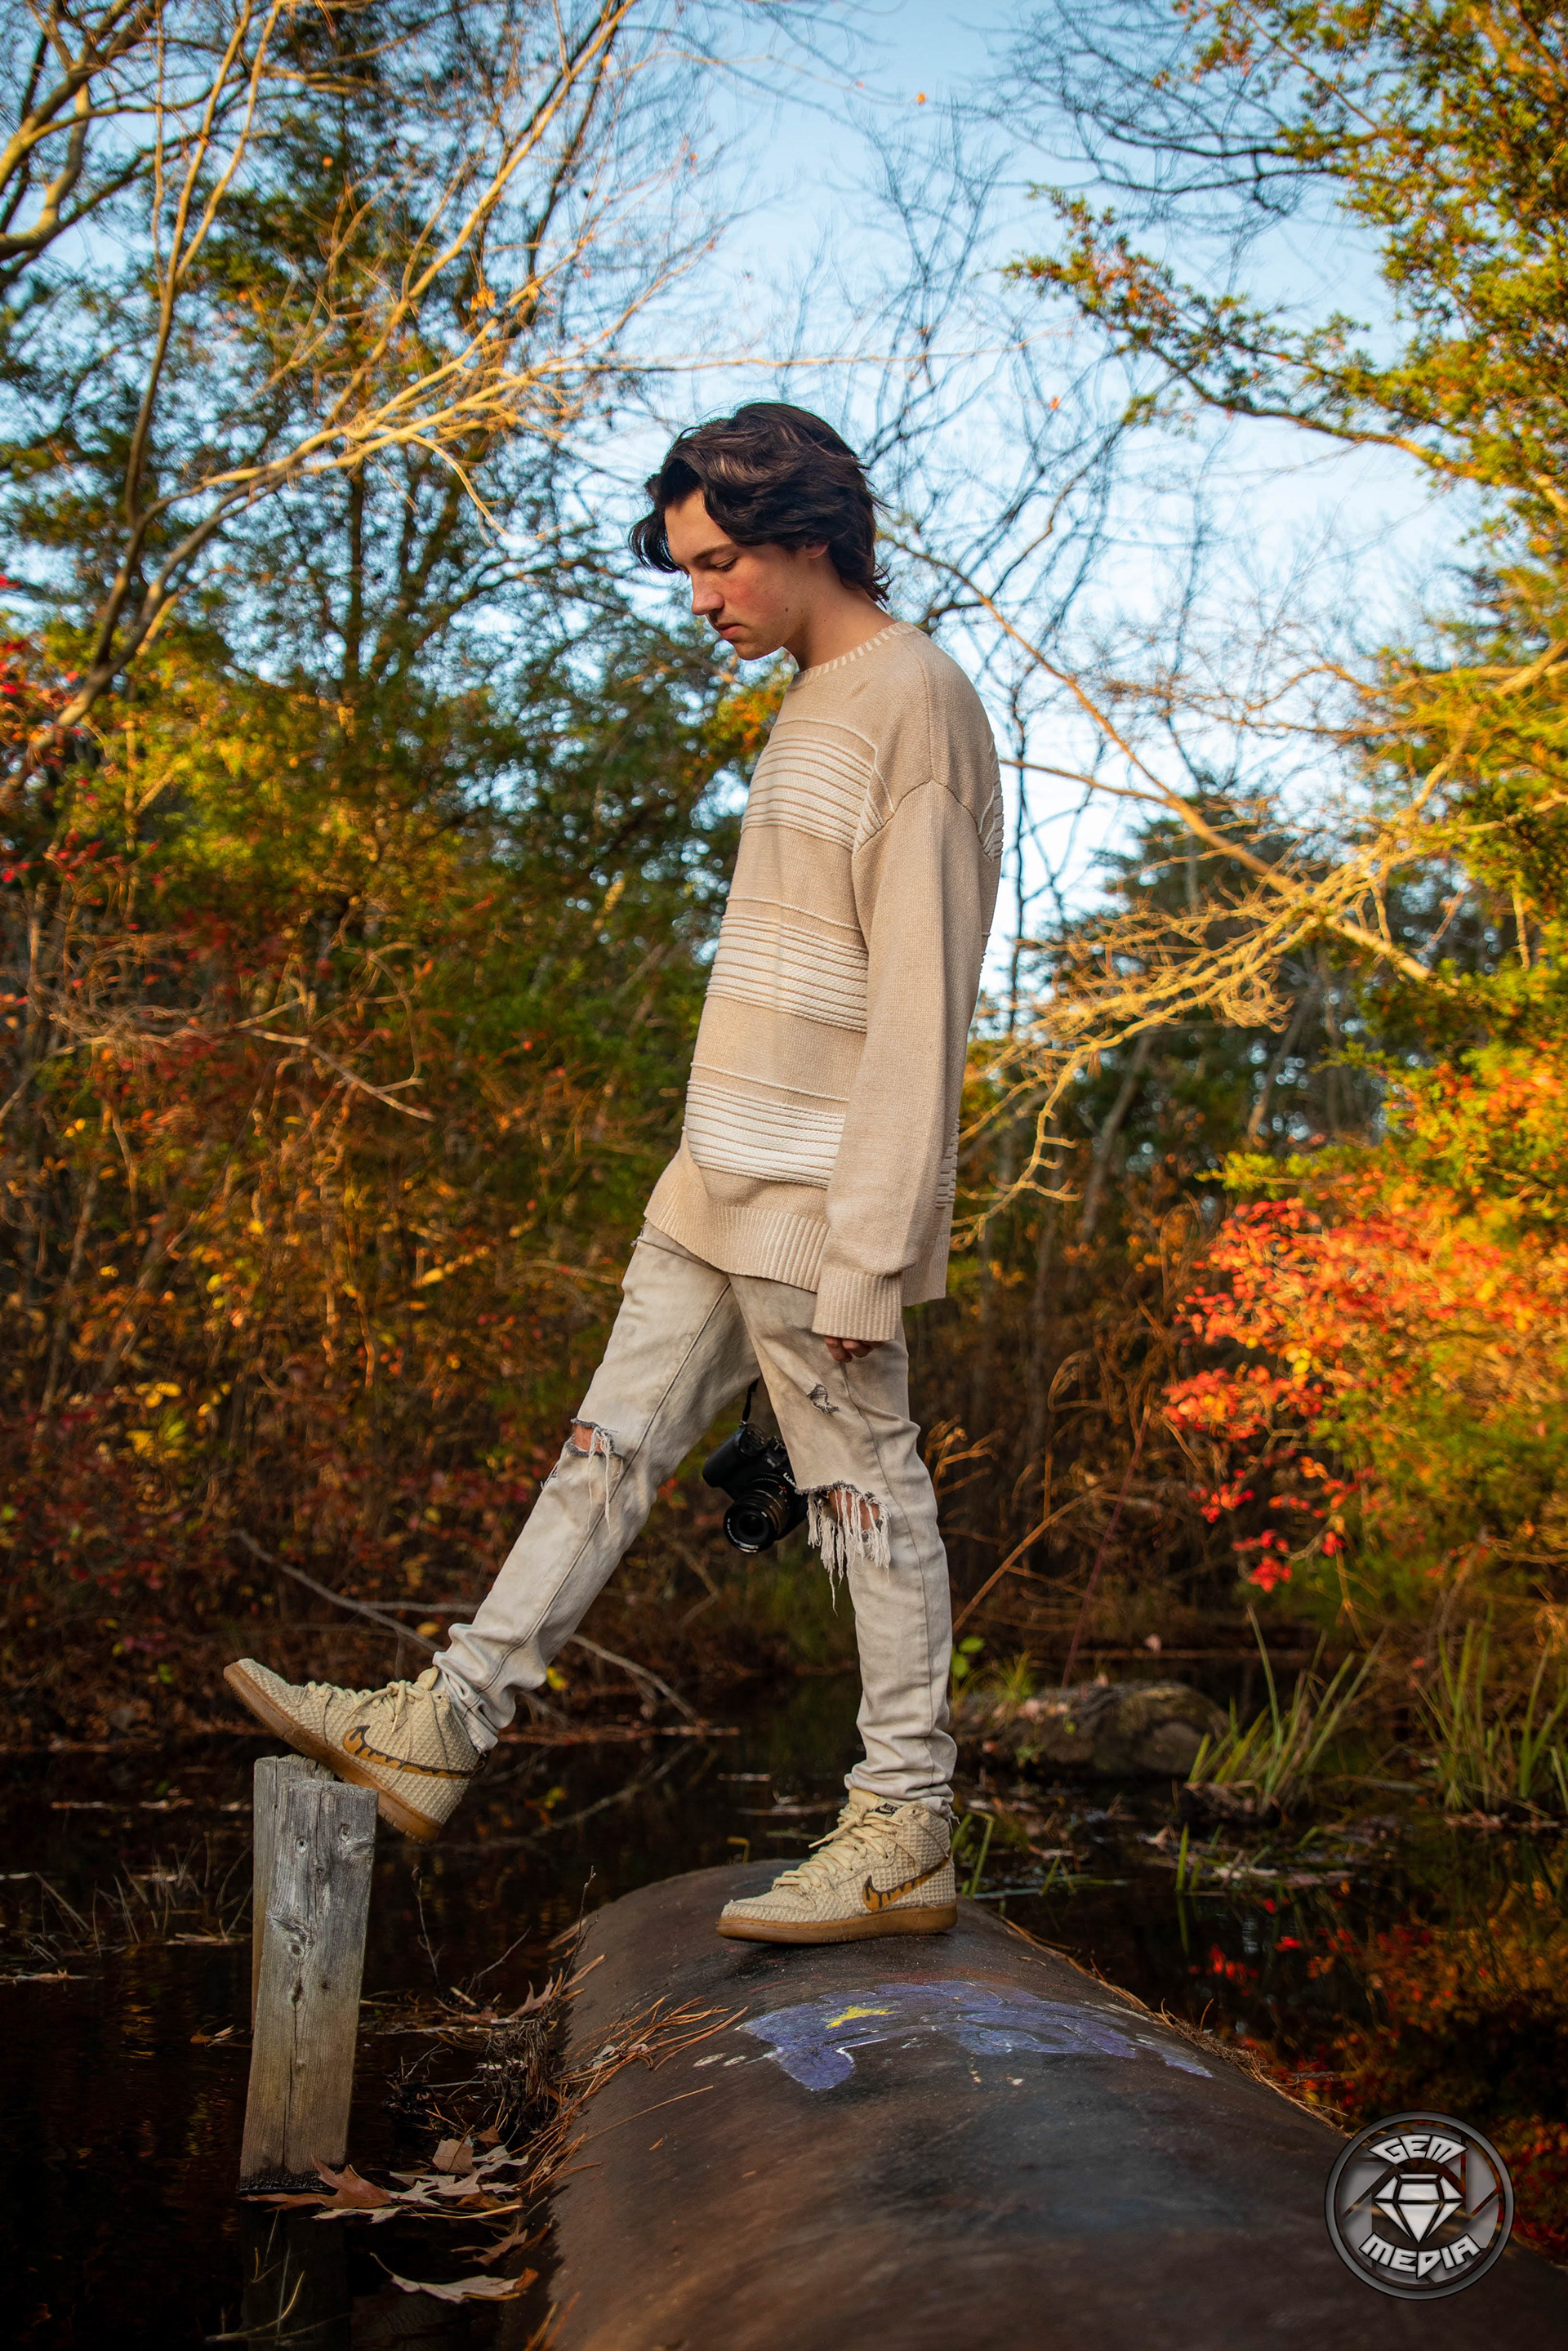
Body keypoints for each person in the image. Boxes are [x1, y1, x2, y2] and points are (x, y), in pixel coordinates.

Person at [225, 403, 1003, 1944]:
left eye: (719, 564)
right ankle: (445, 1720)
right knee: (607, 1449)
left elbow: (922, 1001)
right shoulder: (809, 699)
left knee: (865, 1489)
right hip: (717, 1176)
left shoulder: (914, 700)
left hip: (815, 1200)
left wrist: (871, 1249)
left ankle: (904, 1823)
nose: (700, 596)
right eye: (688, 567)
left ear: (809, 537)